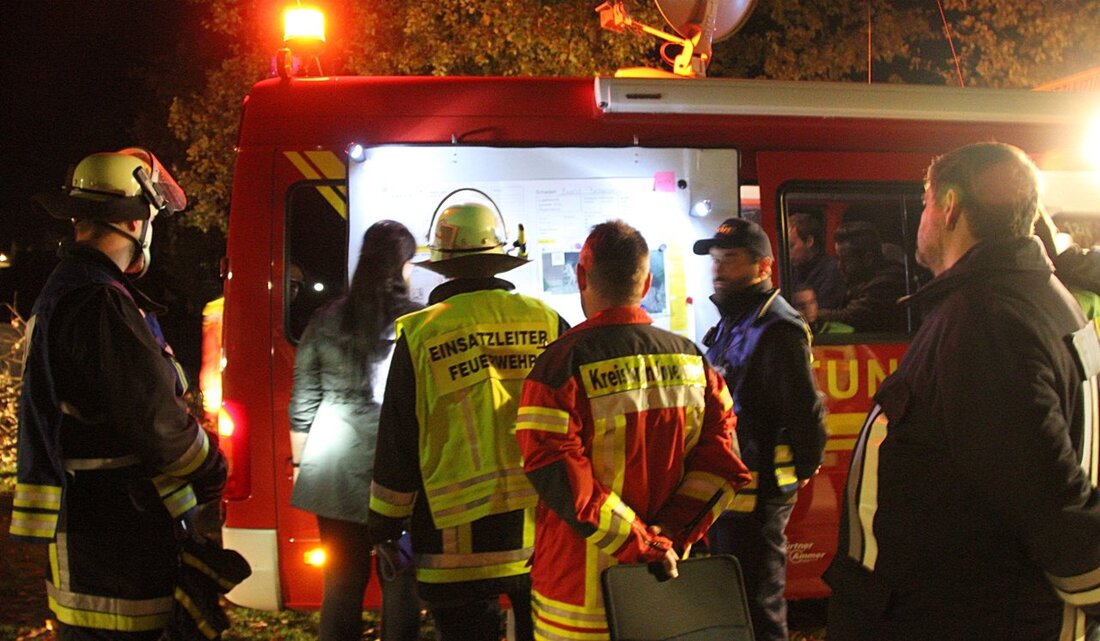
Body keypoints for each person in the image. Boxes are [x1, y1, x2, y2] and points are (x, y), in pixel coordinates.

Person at [824, 142, 1100, 640]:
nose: (922, 218)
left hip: (962, 618)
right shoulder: (1037, 298)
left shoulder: (984, 320)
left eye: (925, 203)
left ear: (950, 207)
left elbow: (1049, 502)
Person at [10, 148, 227, 639]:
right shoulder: (99, 301)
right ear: (135, 224)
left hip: (93, 532)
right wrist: (210, 465)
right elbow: (155, 420)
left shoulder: (72, 289)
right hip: (117, 534)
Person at [514, 220, 752, 641]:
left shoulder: (559, 366)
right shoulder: (693, 362)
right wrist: (668, 536)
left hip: (577, 600)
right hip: (664, 589)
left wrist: (640, 543)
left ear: (582, 276)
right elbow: (723, 465)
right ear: (646, 284)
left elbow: (557, 471)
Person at [366, 197, 568, 641]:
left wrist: (384, 523)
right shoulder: (548, 321)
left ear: (443, 265)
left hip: (452, 543)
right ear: (499, 257)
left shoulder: (422, 332)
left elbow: (399, 438)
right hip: (540, 535)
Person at [693, 217, 827, 641]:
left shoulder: (778, 327)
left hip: (759, 494)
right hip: (732, 492)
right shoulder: (738, 320)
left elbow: (805, 412)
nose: (718, 268)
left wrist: (799, 471)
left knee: (760, 604)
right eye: (716, 259)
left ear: (763, 266)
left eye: (730, 258)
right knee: (734, 603)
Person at [289, 220, 423, 641]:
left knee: (341, 582)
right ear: (401, 266)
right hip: (397, 464)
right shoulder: (417, 322)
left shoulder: (326, 319)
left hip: (333, 464)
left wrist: (300, 466)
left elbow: (303, 403)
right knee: (399, 576)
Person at [817, 221, 908, 333]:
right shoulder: (860, 278)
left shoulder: (886, 284)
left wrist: (812, 316)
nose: (840, 266)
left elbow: (848, 316)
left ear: (867, 259)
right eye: (838, 259)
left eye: (846, 260)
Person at [788, 213, 845, 309]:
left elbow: (822, 310)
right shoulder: (791, 268)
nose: (787, 252)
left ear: (809, 241)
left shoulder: (831, 271)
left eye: (791, 246)